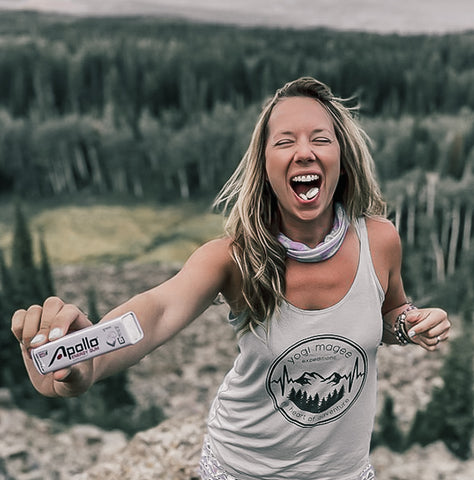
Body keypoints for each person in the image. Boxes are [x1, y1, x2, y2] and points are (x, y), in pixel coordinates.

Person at [11, 77, 451, 480]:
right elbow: (160, 310)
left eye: (321, 139)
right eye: (285, 141)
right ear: (265, 165)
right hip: (241, 471)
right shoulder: (234, 258)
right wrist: (86, 357)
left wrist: (411, 324)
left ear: (342, 157)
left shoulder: (381, 240)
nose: (305, 151)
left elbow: (390, 311)